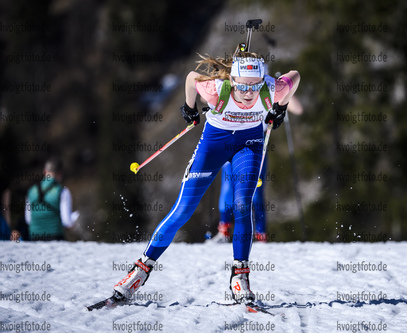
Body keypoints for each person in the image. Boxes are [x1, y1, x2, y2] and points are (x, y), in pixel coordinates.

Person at [112, 50, 300, 304]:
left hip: (250, 145)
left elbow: (295, 76)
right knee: (183, 210)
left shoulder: (270, 88)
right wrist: (189, 108)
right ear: (233, 82)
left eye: (254, 86)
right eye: (243, 86)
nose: (249, 93)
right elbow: (191, 78)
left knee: (243, 204)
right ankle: (140, 271)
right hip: (214, 145)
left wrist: (282, 105)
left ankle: (240, 276)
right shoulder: (216, 90)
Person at [209, 95, 303, 243]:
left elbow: (298, 109)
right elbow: (206, 97)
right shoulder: (232, 85)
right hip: (231, 142)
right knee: (228, 188)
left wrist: (286, 92)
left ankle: (261, 235)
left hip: (255, 144)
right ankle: (224, 232)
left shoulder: (268, 87)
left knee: (256, 191)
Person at [25, 158, 79, 241]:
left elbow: (28, 219)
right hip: (55, 237)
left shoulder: (31, 190)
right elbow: (67, 222)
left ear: (44, 171)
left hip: (33, 238)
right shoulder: (63, 191)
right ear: (60, 174)